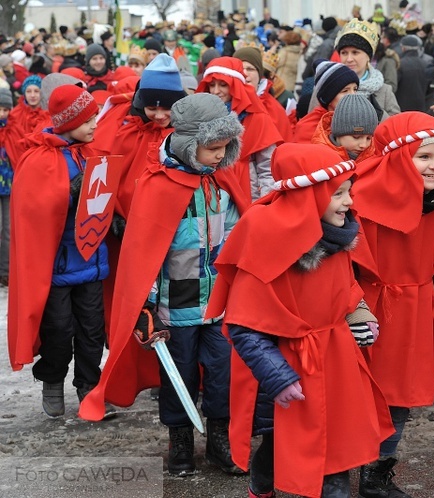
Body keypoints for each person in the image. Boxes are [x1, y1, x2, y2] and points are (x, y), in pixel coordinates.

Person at [205, 143, 394, 498]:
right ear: (310, 195)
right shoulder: (267, 240)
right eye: (338, 194)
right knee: (278, 446)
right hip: (289, 367)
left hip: (335, 362)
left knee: (335, 455)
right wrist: (278, 378)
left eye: (348, 192)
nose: (349, 203)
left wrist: (359, 313)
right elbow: (245, 327)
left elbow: (345, 289)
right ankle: (261, 486)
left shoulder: (337, 235)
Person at [79, 94, 250, 477]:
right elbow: (146, 256)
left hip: (219, 300)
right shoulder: (158, 185)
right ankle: (181, 441)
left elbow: (239, 237)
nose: (221, 156)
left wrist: (241, 284)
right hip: (176, 303)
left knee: (222, 372)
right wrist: (147, 306)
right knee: (180, 376)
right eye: (213, 148)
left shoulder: (223, 183)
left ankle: (221, 438)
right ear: (191, 145)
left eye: (226, 148)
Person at [351, 112, 434, 497]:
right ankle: (336, 471)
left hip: (415, 311)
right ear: (398, 155)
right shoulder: (360, 198)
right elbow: (343, 262)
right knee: (357, 394)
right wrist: (352, 307)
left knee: (400, 396)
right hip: (370, 311)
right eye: (424, 157)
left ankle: (377, 473)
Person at [8, 85, 114, 419]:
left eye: (96, 116)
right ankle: (52, 381)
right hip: (56, 269)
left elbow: (107, 198)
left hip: (93, 263)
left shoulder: (94, 152)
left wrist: (118, 216)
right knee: (58, 333)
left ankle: (88, 388)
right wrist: (68, 193)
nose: (95, 124)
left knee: (92, 332)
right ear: (67, 122)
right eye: (87, 119)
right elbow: (34, 210)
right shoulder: (41, 157)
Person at [92, 54, 187, 217]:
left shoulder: (185, 133)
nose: (159, 116)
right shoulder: (126, 128)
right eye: (151, 108)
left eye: (167, 108)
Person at [197, 56, 283, 201]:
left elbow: (268, 168)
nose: (216, 91)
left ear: (235, 86)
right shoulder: (199, 115)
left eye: (223, 85)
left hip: (246, 191)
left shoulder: (257, 117)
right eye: (212, 85)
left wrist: (264, 204)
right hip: (209, 193)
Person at [335, 18, 401, 121]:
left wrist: (379, 114)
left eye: (355, 52)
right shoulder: (329, 86)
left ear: (368, 57)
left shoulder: (384, 91)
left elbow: (396, 126)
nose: (349, 59)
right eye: (344, 53)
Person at [294, 61, 359, 144]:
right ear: (328, 98)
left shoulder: (360, 120)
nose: (353, 95)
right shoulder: (309, 128)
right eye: (345, 91)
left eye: (355, 89)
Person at [311, 93, 378, 162]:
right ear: (338, 133)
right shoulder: (318, 158)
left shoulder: (374, 156)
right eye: (356, 137)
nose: (363, 145)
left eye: (368, 138)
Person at [5, 75, 49, 168]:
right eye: (28, 91)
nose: (32, 95)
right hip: (20, 161)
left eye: (36, 91)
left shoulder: (48, 113)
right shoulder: (15, 114)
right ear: (24, 93)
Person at [0, 88, 11, 287]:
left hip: (10, 185)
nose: (2, 114)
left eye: (6, 110)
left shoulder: (13, 129)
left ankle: (5, 270)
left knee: (8, 229)